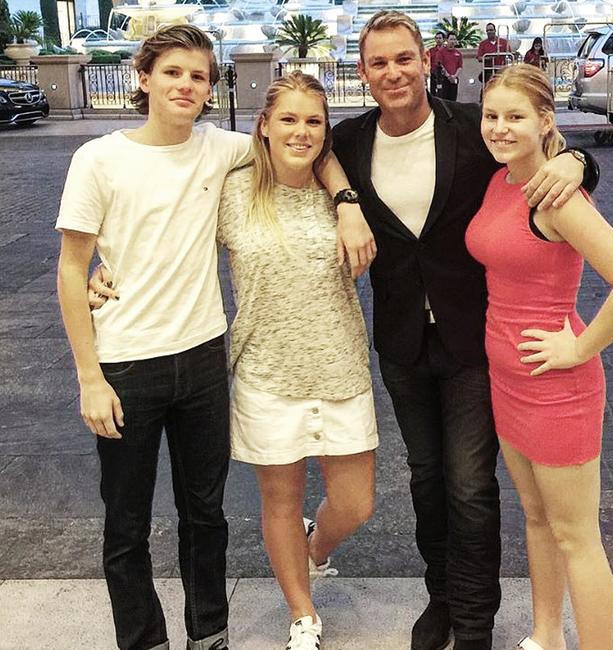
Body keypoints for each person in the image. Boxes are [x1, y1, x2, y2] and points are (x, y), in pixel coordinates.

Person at [56, 25, 373, 650]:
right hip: (124, 362)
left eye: (198, 76)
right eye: (173, 72)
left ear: (209, 89)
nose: (186, 85)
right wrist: (88, 374)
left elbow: (305, 137)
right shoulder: (99, 158)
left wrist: (345, 196)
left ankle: (210, 634)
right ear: (142, 79)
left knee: (205, 515)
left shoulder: (218, 149)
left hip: (202, 356)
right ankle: (144, 639)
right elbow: (71, 268)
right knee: (126, 523)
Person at [332, 11, 599, 650]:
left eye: (404, 58)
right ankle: (442, 598)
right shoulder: (349, 141)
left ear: (426, 62)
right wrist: (344, 202)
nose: (393, 72)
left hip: (475, 338)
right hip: (401, 341)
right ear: (363, 72)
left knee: (471, 485)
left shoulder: (474, 132)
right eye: (378, 62)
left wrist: (581, 163)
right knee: (427, 478)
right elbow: (293, 156)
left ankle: (475, 621)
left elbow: (536, 157)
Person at [466, 63, 613, 650]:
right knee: (537, 518)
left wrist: (579, 346)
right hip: (507, 380)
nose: (499, 128)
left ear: (545, 121)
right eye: (491, 116)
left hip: (556, 388)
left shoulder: (556, 195)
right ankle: (545, 636)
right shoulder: (504, 181)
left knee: (577, 536)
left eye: (515, 117)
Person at [218, 71, 377, 650]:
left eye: (314, 121)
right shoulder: (232, 190)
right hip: (265, 372)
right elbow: (170, 238)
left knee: (356, 503)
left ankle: (315, 550)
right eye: (288, 118)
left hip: (340, 368)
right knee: (279, 502)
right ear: (263, 126)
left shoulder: (344, 192)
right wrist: (108, 268)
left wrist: (347, 200)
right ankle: (302, 613)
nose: (301, 131)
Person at [477, 23, 512, 87]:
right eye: (487, 31)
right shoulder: (483, 44)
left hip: (501, 69)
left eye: (491, 30)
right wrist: (489, 57)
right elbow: (479, 58)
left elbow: (510, 55)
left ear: (495, 30)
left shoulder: (504, 42)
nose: (489, 32)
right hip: (489, 70)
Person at [436, 32, 463, 101]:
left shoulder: (458, 53)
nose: (452, 41)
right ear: (447, 40)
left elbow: (460, 66)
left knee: (453, 99)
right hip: (444, 79)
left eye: (454, 39)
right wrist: (448, 76)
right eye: (451, 39)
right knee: (444, 99)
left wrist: (454, 76)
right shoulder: (441, 52)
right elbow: (440, 65)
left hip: (454, 79)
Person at [427, 31, 446, 95]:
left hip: (444, 75)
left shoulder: (447, 50)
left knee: (444, 92)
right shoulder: (431, 50)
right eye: (437, 38)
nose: (438, 40)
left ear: (443, 39)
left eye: (440, 38)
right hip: (433, 75)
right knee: (433, 92)